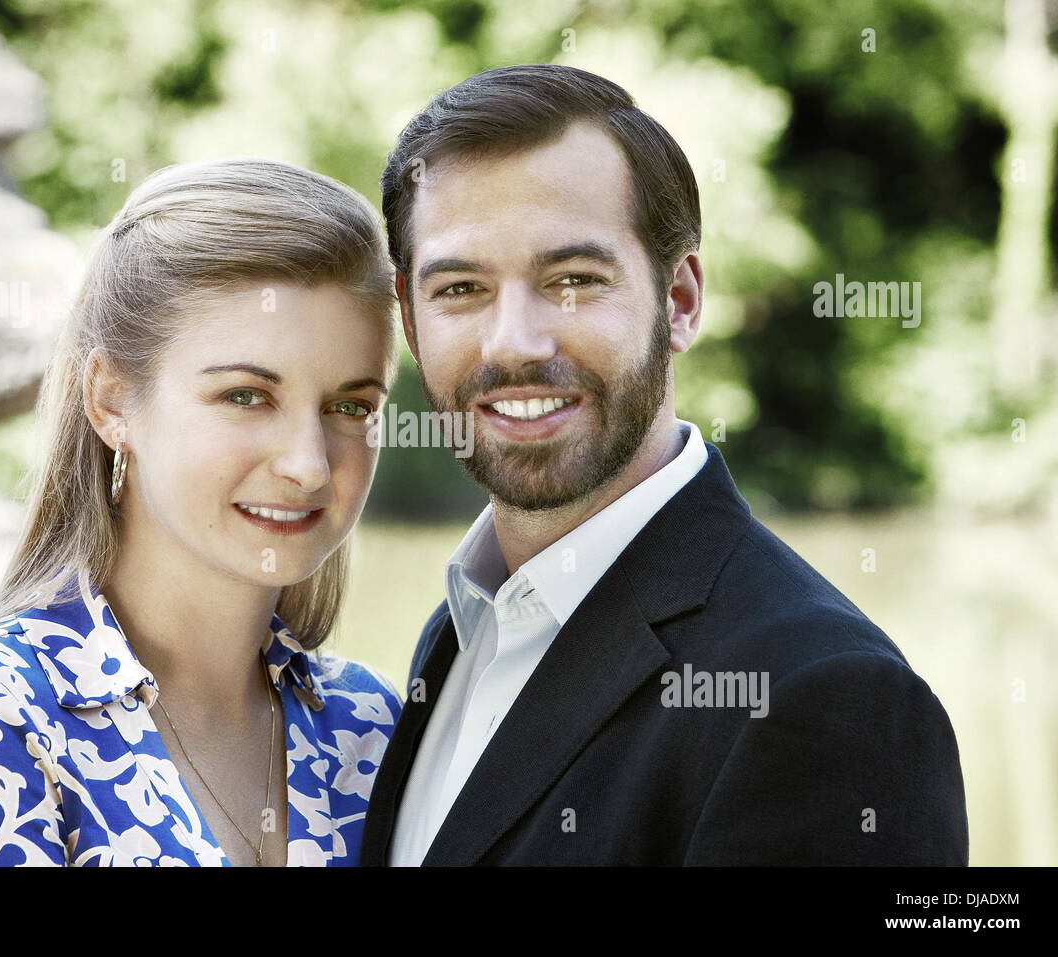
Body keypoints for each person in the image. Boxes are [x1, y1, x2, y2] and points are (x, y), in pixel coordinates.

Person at [359, 64, 969, 866]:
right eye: (462, 288)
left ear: (678, 300)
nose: (513, 341)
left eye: (573, 280)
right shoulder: (460, 633)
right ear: (408, 316)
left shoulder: (825, 698)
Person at [0, 158, 403, 866]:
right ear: (112, 400)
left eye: (351, 406)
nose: (309, 463)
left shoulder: (373, 726)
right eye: (246, 395)